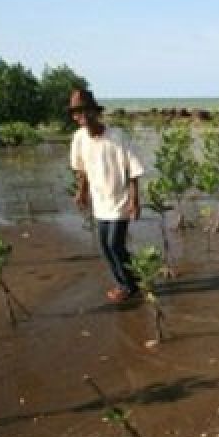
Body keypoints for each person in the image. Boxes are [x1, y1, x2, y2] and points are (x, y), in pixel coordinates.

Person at [69, 88, 145, 303]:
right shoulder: (79, 138)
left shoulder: (117, 136)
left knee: (115, 244)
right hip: (100, 200)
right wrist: (81, 191)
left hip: (120, 199)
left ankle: (129, 286)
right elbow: (81, 169)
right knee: (104, 246)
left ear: (95, 112)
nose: (81, 116)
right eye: (77, 112)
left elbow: (134, 169)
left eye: (85, 111)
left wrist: (135, 200)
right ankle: (131, 280)